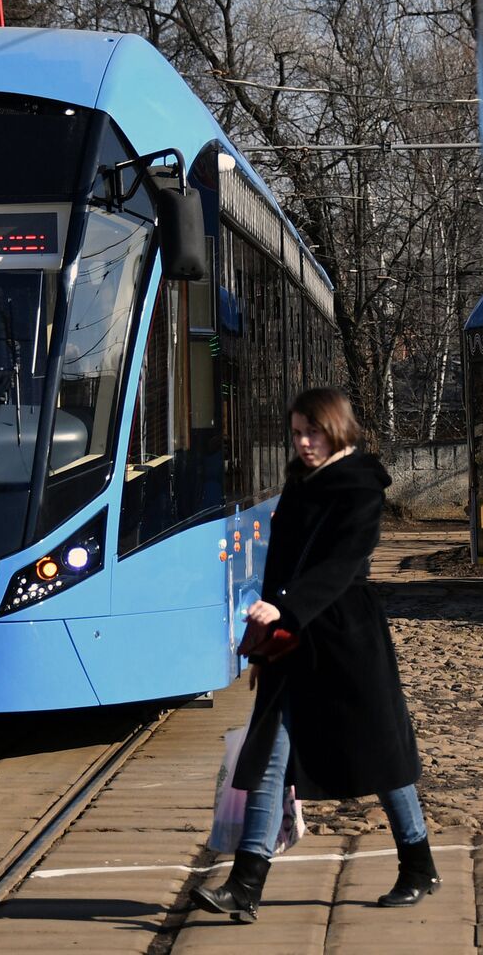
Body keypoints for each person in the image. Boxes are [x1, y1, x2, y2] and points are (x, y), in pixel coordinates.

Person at [192, 388, 437, 923]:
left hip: (347, 638)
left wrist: (284, 609)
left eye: (314, 432)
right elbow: (278, 565)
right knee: (270, 758)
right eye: (298, 431)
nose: (304, 442)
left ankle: (418, 865)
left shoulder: (360, 486)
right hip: (291, 639)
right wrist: (266, 645)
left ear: (338, 429)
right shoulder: (301, 483)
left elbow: (344, 563)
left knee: (381, 756)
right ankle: (245, 884)